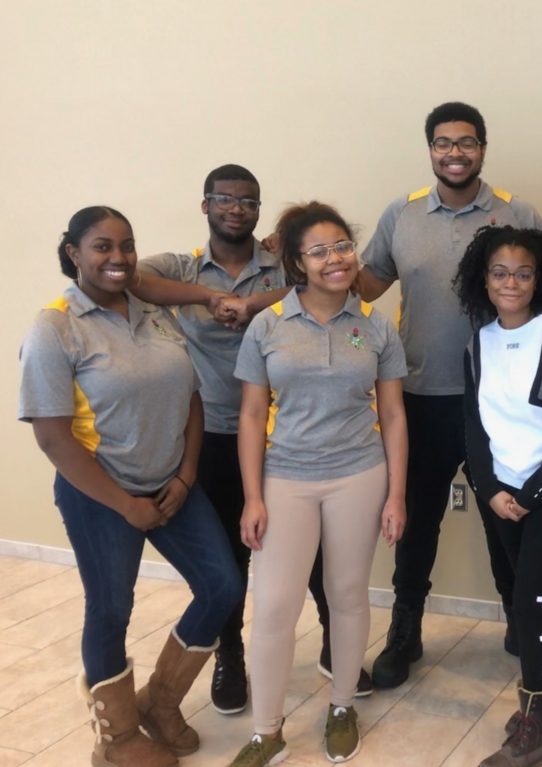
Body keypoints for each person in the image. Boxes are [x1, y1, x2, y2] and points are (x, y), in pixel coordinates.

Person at [136, 164, 369, 712]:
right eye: (225, 200)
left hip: (286, 438)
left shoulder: (281, 264)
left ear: (260, 211)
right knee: (231, 558)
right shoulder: (183, 266)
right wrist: (206, 295)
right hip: (216, 432)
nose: (236, 209)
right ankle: (231, 658)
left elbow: (321, 282)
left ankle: (339, 650)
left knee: (313, 557)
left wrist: (251, 304)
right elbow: (134, 279)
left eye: (247, 201)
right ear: (206, 206)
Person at [18, 206, 242, 767]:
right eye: (102, 246)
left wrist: (187, 476)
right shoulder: (55, 327)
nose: (117, 258)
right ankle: (116, 740)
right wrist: (124, 504)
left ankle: (160, 703)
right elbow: (52, 437)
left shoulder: (155, 314)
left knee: (223, 586)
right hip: (101, 495)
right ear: (74, 253)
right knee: (111, 608)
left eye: (126, 245)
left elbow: (192, 399)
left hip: (172, 484)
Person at [357, 101, 542, 689]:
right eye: (443, 143)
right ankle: (405, 633)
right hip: (419, 395)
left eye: (466, 143)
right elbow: (367, 284)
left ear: (483, 149)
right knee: (415, 523)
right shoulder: (403, 213)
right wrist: (307, 263)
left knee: (508, 521)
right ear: (430, 150)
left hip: (499, 402)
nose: (454, 153)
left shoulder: (516, 211)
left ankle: (524, 629)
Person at [227, 202, 408, 766]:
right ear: (297, 263)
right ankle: (266, 731)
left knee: (348, 594)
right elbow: (253, 416)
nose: (336, 259)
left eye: (343, 246)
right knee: (276, 605)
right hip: (287, 479)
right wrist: (253, 496)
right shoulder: (269, 324)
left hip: (360, 474)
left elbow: (395, 416)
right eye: (320, 250)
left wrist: (397, 494)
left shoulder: (376, 324)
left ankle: (342, 706)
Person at [455, 226, 542, 767]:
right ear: (484, 281)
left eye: (523, 272)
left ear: (539, 279)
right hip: (503, 490)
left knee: (530, 594)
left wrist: (532, 494)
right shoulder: (479, 341)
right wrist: (489, 489)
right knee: (518, 587)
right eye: (499, 272)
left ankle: (535, 723)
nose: (510, 282)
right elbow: (473, 425)